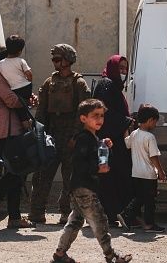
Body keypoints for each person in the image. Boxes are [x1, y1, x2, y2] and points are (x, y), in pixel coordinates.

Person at [51, 99, 132, 263]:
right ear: (83, 119)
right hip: (84, 188)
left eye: (102, 115)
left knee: (75, 221)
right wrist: (96, 169)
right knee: (100, 221)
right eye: (95, 115)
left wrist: (107, 147)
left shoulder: (93, 138)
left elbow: (98, 159)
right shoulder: (83, 138)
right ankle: (112, 256)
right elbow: (80, 163)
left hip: (80, 187)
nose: (100, 119)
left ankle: (60, 254)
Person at [28, 44, 90, 224]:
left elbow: (83, 112)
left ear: (68, 60)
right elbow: (41, 111)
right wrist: (39, 133)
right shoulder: (50, 83)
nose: (55, 62)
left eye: (58, 59)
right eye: (53, 59)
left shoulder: (78, 83)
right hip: (52, 133)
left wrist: (77, 136)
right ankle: (37, 211)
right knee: (42, 174)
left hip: (71, 133)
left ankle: (66, 212)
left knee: (70, 177)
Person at [0, 46, 36, 229]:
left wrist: (29, 98)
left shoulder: (6, 78)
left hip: (14, 131)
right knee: (15, 172)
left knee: (17, 173)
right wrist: (26, 101)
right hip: (7, 132)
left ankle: (15, 216)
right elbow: (11, 100)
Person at [93, 55, 134, 226]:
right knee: (109, 177)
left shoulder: (113, 86)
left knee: (114, 177)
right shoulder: (106, 84)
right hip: (107, 139)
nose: (123, 72)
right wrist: (126, 121)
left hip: (113, 138)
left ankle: (113, 214)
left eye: (125, 68)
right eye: (120, 68)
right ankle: (110, 214)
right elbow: (103, 111)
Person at [117, 104, 166, 233]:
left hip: (136, 173)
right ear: (150, 120)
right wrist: (161, 172)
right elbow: (154, 156)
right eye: (155, 122)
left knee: (140, 197)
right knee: (150, 201)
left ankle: (126, 214)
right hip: (148, 174)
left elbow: (126, 143)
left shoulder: (134, 134)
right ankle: (148, 224)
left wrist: (125, 128)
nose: (155, 125)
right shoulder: (150, 137)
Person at [0, 35, 33, 129]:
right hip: (27, 87)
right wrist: (28, 81)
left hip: (16, 90)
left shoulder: (1, 64)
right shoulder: (21, 61)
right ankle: (30, 128)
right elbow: (29, 74)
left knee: (21, 112)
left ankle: (27, 127)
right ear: (20, 51)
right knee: (25, 109)